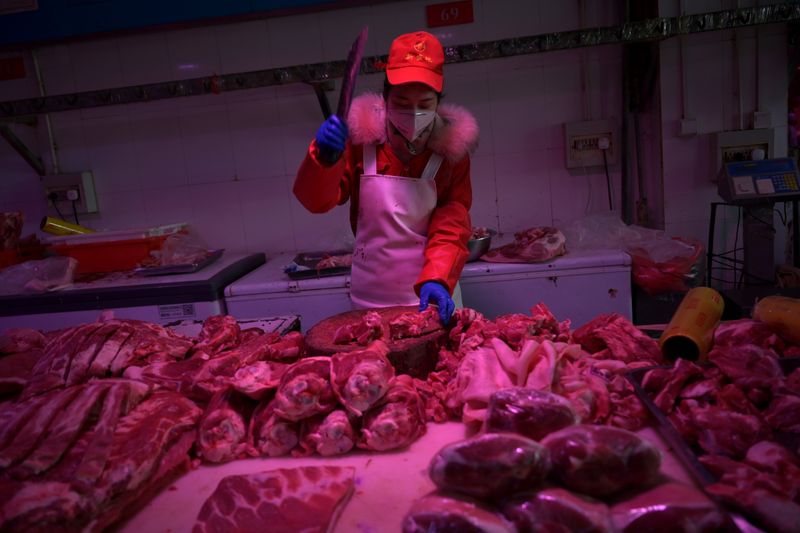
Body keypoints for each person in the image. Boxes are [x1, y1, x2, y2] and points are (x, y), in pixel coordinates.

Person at [293, 31, 478, 325]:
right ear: (386, 98)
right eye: (402, 103)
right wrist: (323, 159)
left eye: (425, 104)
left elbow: (452, 223)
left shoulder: (450, 155)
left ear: (438, 103)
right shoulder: (360, 143)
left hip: (431, 295)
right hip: (370, 301)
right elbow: (316, 201)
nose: (414, 113)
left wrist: (439, 278)